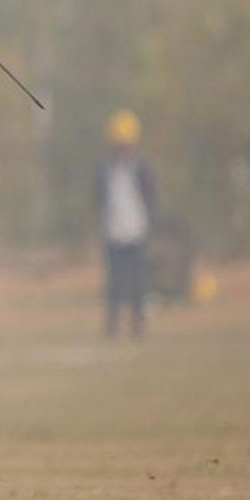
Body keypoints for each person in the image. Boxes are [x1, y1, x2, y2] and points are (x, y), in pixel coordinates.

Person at [96, 109, 156, 338]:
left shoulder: (141, 167)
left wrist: (150, 225)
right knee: (114, 283)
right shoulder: (106, 168)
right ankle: (112, 325)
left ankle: (138, 324)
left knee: (138, 283)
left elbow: (151, 198)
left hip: (137, 231)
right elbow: (98, 199)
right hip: (113, 233)